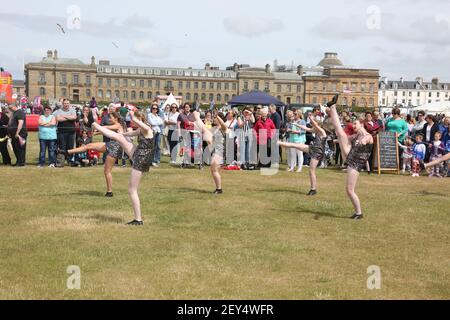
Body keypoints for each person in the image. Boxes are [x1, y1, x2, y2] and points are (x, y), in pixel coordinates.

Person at [91, 109, 155, 225]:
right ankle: (96, 125)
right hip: (139, 154)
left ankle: (138, 219)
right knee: (119, 137)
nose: (132, 123)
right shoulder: (141, 129)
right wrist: (123, 134)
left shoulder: (146, 128)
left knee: (132, 189)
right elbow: (131, 133)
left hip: (140, 159)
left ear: (138, 119)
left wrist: (132, 115)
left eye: (133, 121)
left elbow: (142, 126)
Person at [326, 95, 374, 219]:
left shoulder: (368, 136)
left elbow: (367, 140)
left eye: (355, 123)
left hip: (355, 163)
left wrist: (361, 142)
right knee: (339, 131)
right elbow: (345, 138)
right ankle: (332, 106)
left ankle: (359, 213)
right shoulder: (356, 135)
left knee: (349, 190)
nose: (353, 125)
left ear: (362, 124)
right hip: (350, 157)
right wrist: (339, 140)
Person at [64, 111, 126, 197]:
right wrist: (97, 132)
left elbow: (107, 127)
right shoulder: (115, 126)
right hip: (110, 145)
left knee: (107, 171)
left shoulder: (118, 125)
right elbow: (107, 130)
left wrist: (96, 126)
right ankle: (67, 152)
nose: (109, 119)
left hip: (114, 148)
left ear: (116, 118)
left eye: (110, 117)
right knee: (89, 145)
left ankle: (109, 192)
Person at [278, 112, 328, 196]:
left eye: (313, 125)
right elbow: (305, 128)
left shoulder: (322, 132)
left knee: (311, 171)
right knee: (294, 145)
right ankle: (277, 142)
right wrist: (296, 124)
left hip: (318, 152)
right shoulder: (315, 130)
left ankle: (313, 189)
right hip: (312, 148)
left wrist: (311, 118)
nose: (312, 126)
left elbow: (315, 126)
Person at [53, 99, 77, 163]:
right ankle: (62, 160)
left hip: (71, 132)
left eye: (67, 103)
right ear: (63, 104)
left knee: (70, 146)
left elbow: (74, 117)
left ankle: (70, 160)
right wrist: (69, 117)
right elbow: (58, 119)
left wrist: (63, 116)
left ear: (69, 104)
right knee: (62, 146)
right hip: (61, 132)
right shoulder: (58, 111)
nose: (66, 104)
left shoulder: (72, 110)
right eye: (65, 103)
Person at [148, 103, 164, 167]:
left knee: (158, 146)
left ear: (157, 110)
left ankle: (157, 159)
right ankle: (152, 160)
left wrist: (155, 123)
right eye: (153, 108)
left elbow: (162, 122)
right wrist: (157, 123)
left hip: (158, 131)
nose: (155, 109)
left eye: (156, 108)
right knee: (152, 146)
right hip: (153, 132)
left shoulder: (158, 116)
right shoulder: (149, 115)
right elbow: (151, 122)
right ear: (151, 109)